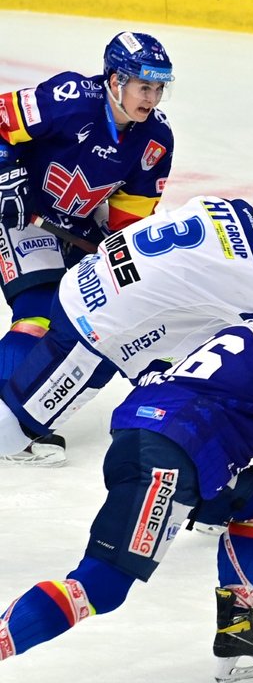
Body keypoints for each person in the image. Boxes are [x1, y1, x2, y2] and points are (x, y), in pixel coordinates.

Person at [0, 269, 253, 682]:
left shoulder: (236, 333)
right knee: (100, 586)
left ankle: (236, 627)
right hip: (170, 459)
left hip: (155, 443)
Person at [0, 175, 253, 467]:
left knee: (219, 363)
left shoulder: (225, 207)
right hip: (98, 324)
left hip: (96, 287)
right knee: (13, 430)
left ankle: (212, 485)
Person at [0, 31, 175, 459]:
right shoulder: (69, 98)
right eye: (143, 86)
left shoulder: (155, 141)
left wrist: (115, 257)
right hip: (21, 213)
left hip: (76, 226)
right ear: (115, 80)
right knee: (37, 312)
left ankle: (19, 412)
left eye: (157, 88)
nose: (151, 98)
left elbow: (128, 219)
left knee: (79, 320)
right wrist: (7, 173)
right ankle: (7, 421)